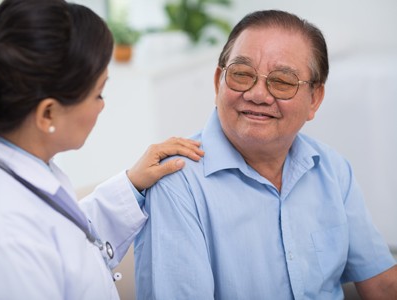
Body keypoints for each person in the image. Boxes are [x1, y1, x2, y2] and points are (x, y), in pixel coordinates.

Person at [0, 0, 205, 299]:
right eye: (98, 93)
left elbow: (65, 239)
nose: (103, 105)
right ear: (48, 114)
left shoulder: (7, 164)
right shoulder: (2, 241)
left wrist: (132, 183)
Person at [135, 9, 397, 299]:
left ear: (315, 99)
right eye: (242, 74)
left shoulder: (332, 169)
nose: (258, 94)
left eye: (283, 82)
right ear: (217, 82)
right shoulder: (176, 183)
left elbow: (382, 285)